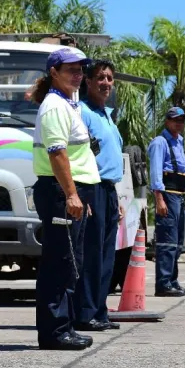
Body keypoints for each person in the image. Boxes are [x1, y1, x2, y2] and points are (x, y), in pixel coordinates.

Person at [31, 47, 101, 350]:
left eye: (80, 69)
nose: (78, 74)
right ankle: (55, 331)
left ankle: (65, 326)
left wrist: (80, 195)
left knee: (71, 261)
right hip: (61, 192)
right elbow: (57, 153)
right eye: (71, 69)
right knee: (60, 262)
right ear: (54, 73)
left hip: (72, 192)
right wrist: (72, 194)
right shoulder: (54, 107)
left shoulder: (68, 104)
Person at [73, 59, 124, 332]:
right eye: (100, 78)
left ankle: (100, 310)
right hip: (92, 188)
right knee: (91, 253)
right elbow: (81, 155)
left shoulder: (107, 115)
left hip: (109, 190)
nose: (106, 83)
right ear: (88, 82)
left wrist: (118, 200)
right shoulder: (83, 111)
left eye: (109, 78)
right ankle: (86, 312)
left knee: (107, 255)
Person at [147, 107, 185, 297]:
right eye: (175, 119)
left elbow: (176, 170)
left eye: (182, 120)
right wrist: (159, 199)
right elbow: (157, 172)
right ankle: (163, 284)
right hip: (168, 196)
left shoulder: (178, 142)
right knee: (167, 242)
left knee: (177, 242)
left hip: (179, 196)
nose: (179, 123)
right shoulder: (160, 142)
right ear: (167, 121)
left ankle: (172, 280)